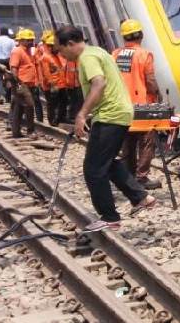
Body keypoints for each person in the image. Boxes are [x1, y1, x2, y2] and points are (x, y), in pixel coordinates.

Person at [55, 25, 156, 232]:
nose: (61, 55)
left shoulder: (87, 58)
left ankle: (110, 217)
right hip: (117, 113)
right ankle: (140, 197)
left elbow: (99, 84)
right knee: (107, 162)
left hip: (111, 116)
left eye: (60, 49)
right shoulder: (98, 51)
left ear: (71, 44)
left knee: (93, 169)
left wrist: (82, 114)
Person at [113, 19, 161, 190]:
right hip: (142, 106)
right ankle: (141, 177)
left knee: (128, 141)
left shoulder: (115, 54)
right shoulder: (144, 55)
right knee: (147, 141)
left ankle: (128, 176)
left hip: (122, 106)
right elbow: (150, 81)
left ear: (124, 37)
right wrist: (157, 95)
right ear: (140, 35)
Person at [9, 29, 38, 138]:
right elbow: (14, 69)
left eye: (31, 39)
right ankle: (30, 131)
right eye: (28, 40)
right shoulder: (17, 51)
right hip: (22, 84)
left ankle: (16, 132)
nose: (31, 42)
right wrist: (17, 84)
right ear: (21, 40)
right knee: (30, 105)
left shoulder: (28, 51)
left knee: (18, 108)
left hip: (28, 84)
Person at [38, 33, 68, 127]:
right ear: (50, 46)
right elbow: (46, 73)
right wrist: (52, 85)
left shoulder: (56, 55)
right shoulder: (45, 57)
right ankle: (52, 121)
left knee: (63, 102)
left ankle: (60, 118)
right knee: (52, 104)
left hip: (61, 84)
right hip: (52, 86)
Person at [0, 28, 15, 103]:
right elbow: (13, 51)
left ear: (0, 33)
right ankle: (8, 96)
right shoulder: (11, 41)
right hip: (8, 60)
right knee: (9, 78)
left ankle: (2, 95)